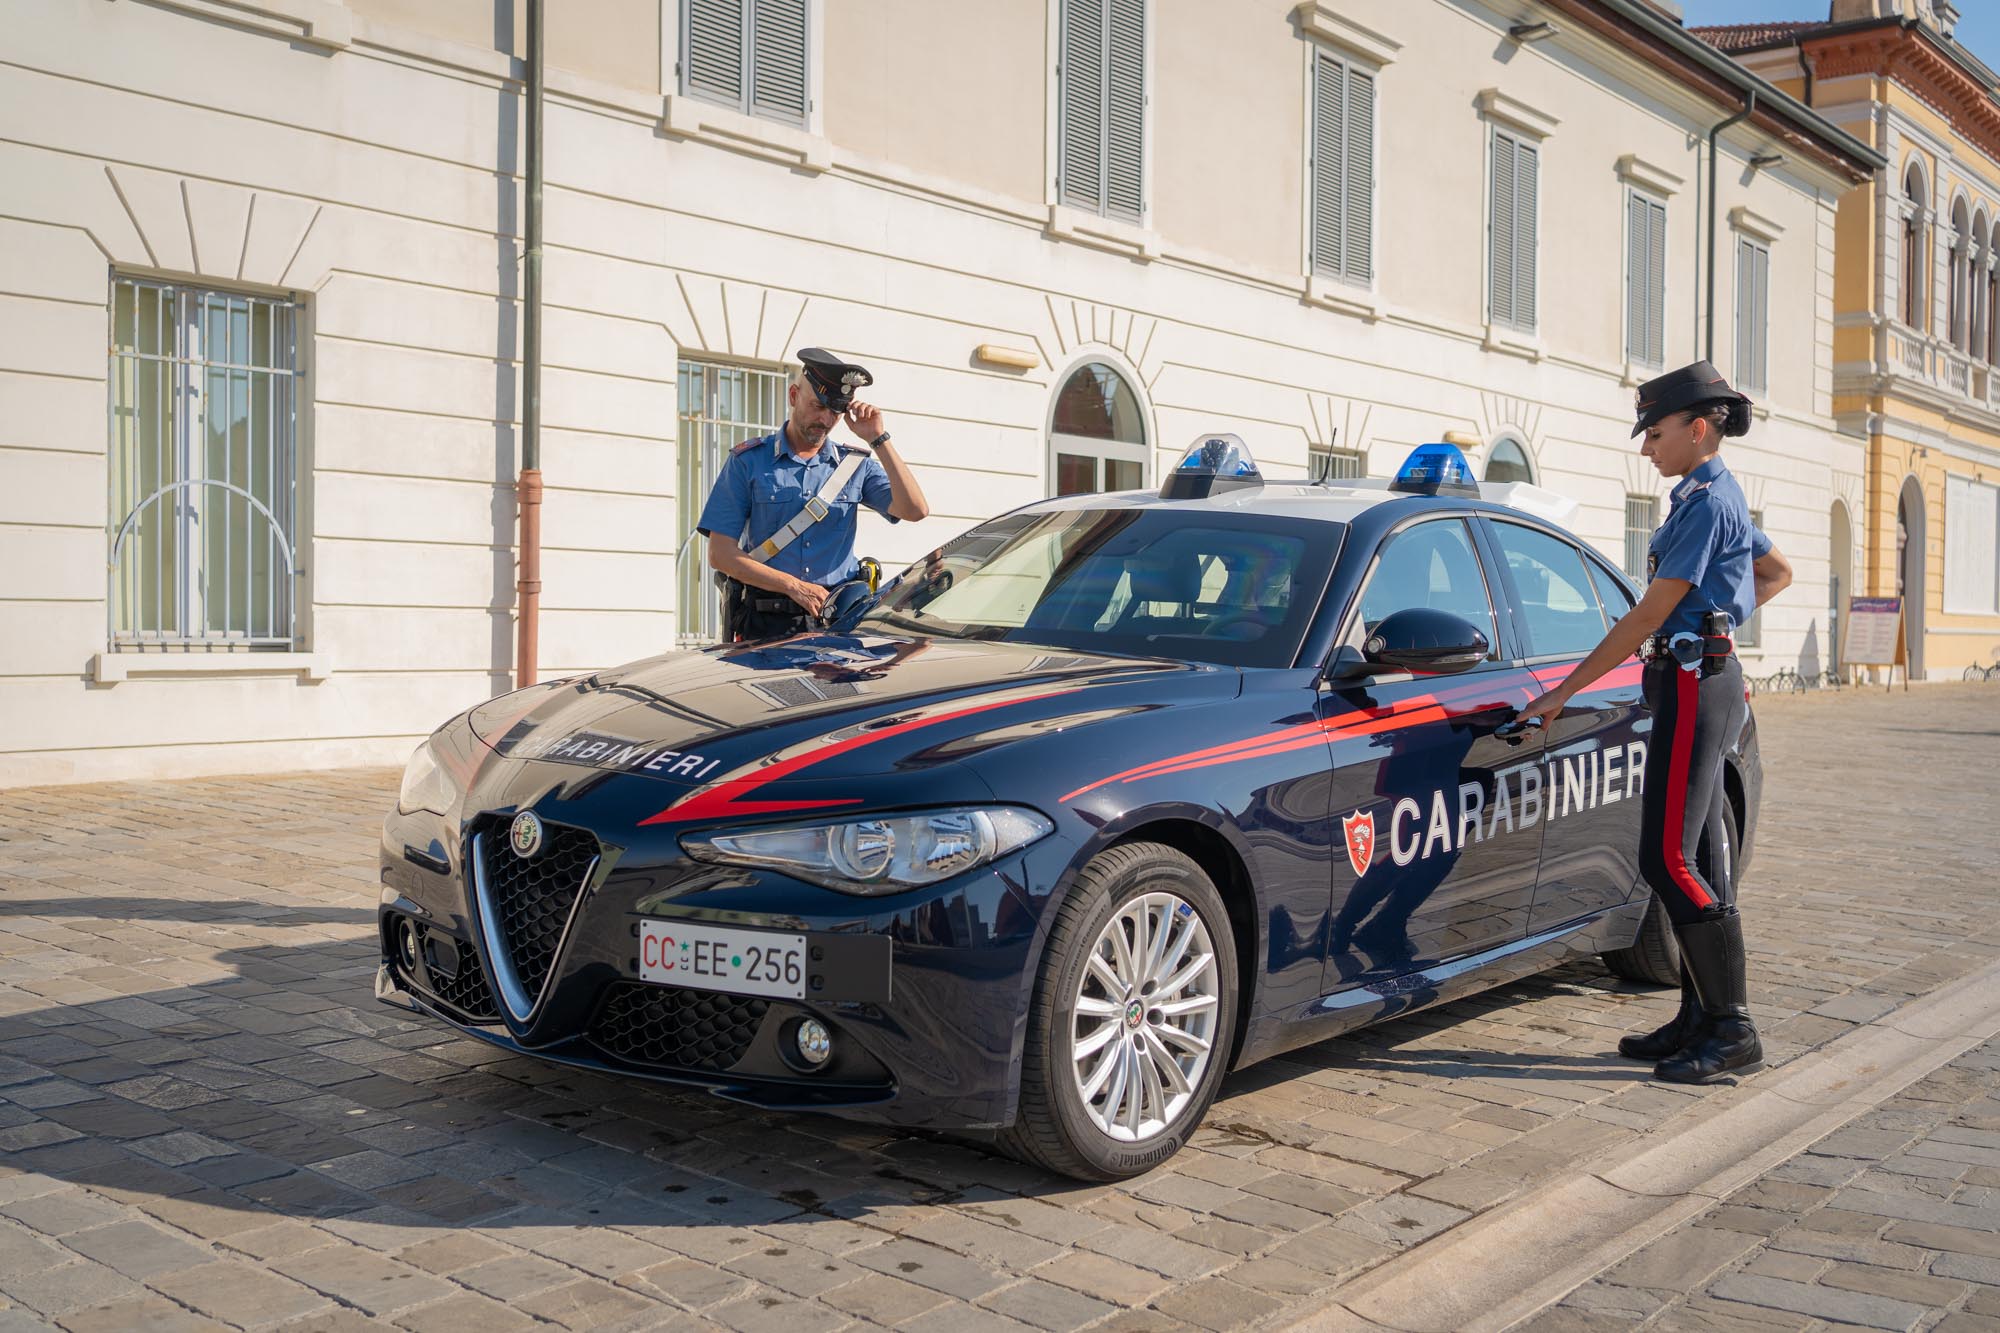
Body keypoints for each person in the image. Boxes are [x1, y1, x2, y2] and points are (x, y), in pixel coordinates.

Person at [1516, 361, 1793, 1084]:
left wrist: (1562, 691)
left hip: (1697, 685)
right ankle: (1698, 1016)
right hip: (1700, 675)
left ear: (1698, 429)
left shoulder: (1705, 502)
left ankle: (1733, 1026)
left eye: (1656, 432)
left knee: (1664, 857)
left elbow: (1646, 613)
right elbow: (1774, 572)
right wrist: (1722, 625)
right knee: (1694, 856)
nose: (1647, 447)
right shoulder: (1708, 494)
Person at [697, 348, 929, 641]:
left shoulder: (855, 466)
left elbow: (915, 510)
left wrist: (877, 439)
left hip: (838, 622)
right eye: (818, 406)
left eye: (836, 411)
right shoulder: (748, 461)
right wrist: (793, 586)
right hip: (767, 623)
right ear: (794, 396)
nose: (826, 419)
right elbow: (721, 555)